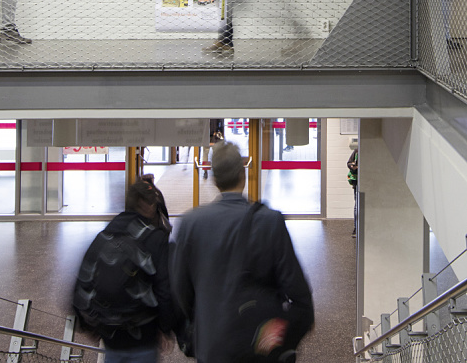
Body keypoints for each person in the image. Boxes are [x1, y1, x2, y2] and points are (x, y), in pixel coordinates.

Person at [170, 141, 314, 363]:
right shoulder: (269, 221)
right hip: (259, 349)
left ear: (215, 180)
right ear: (242, 174)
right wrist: (281, 342)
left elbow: (181, 293)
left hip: (213, 348)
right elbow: (301, 298)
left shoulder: (191, 224)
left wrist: (203, 325)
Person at [73, 180, 176, 363]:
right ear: (149, 205)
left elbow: (82, 281)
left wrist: (93, 327)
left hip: (111, 338)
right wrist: (166, 328)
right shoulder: (155, 238)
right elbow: (164, 290)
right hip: (143, 336)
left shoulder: (104, 236)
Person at [347, 143, 358, 237]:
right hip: (357, 182)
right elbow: (349, 163)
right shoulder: (357, 151)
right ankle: (356, 228)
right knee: (357, 206)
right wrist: (353, 166)